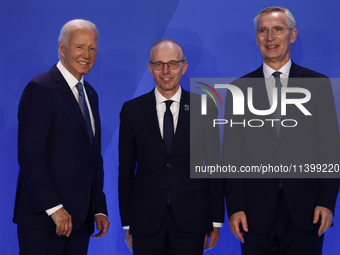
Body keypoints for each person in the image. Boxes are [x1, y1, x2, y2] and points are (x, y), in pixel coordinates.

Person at [223, 6, 340, 255]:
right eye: (263, 31)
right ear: (256, 38)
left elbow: (331, 149)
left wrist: (327, 202)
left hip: (307, 210)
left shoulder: (318, 84)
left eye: (277, 29)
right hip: (254, 213)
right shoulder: (239, 89)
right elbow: (232, 155)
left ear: (292, 35)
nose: (270, 37)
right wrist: (235, 207)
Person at [118, 39, 224, 255]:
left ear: (184, 67)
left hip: (191, 218)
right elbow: (125, 170)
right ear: (150, 68)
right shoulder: (132, 111)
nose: (166, 71)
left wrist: (215, 220)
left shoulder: (204, 106)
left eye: (172, 64)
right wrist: (127, 223)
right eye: (159, 64)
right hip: (145, 220)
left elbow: (213, 165)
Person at [13, 19, 109, 255]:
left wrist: (98, 208)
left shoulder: (90, 94)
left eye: (92, 48)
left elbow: (92, 157)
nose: (86, 54)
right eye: (79, 47)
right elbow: (30, 156)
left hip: (80, 221)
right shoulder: (41, 88)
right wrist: (54, 208)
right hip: (45, 222)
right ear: (62, 48)